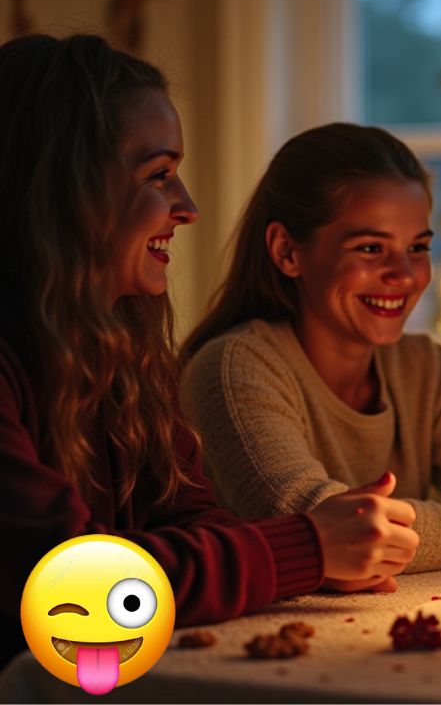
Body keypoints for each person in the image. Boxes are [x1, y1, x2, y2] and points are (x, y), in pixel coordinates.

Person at [0, 35, 419, 667]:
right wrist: (306, 547)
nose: (188, 207)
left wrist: (295, 552)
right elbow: (75, 587)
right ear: (62, 191)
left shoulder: (120, 351)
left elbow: (195, 516)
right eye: (159, 175)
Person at [180, 123, 441, 573]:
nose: (405, 276)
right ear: (287, 251)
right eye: (371, 248)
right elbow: (321, 529)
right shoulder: (233, 368)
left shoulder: (421, 366)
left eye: (418, 247)